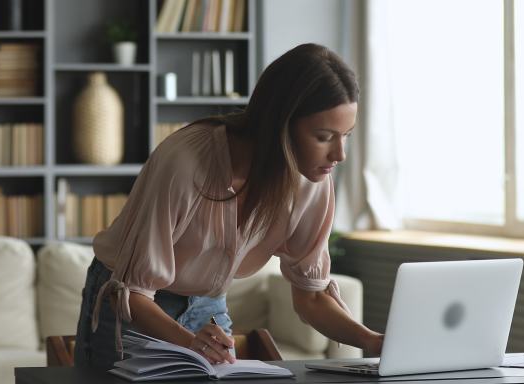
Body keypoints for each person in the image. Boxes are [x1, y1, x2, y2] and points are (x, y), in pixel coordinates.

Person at [74, 43, 384, 369]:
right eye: (324, 137)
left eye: (346, 135)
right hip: (130, 299)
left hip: (208, 303)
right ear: (280, 123)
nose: (340, 155)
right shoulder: (186, 162)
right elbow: (134, 292)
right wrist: (190, 344)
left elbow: (311, 297)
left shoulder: (313, 180)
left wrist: (373, 341)